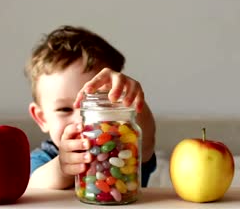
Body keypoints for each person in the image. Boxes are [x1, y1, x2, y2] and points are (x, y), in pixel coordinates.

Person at [24, 25, 156, 189]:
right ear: (41, 118)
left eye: (97, 105)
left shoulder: (126, 150)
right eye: (65, 109)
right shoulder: (44, 159)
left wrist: (131, 98)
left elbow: (147, 139)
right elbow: (31, 186)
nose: (82, 119)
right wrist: (61, 168)